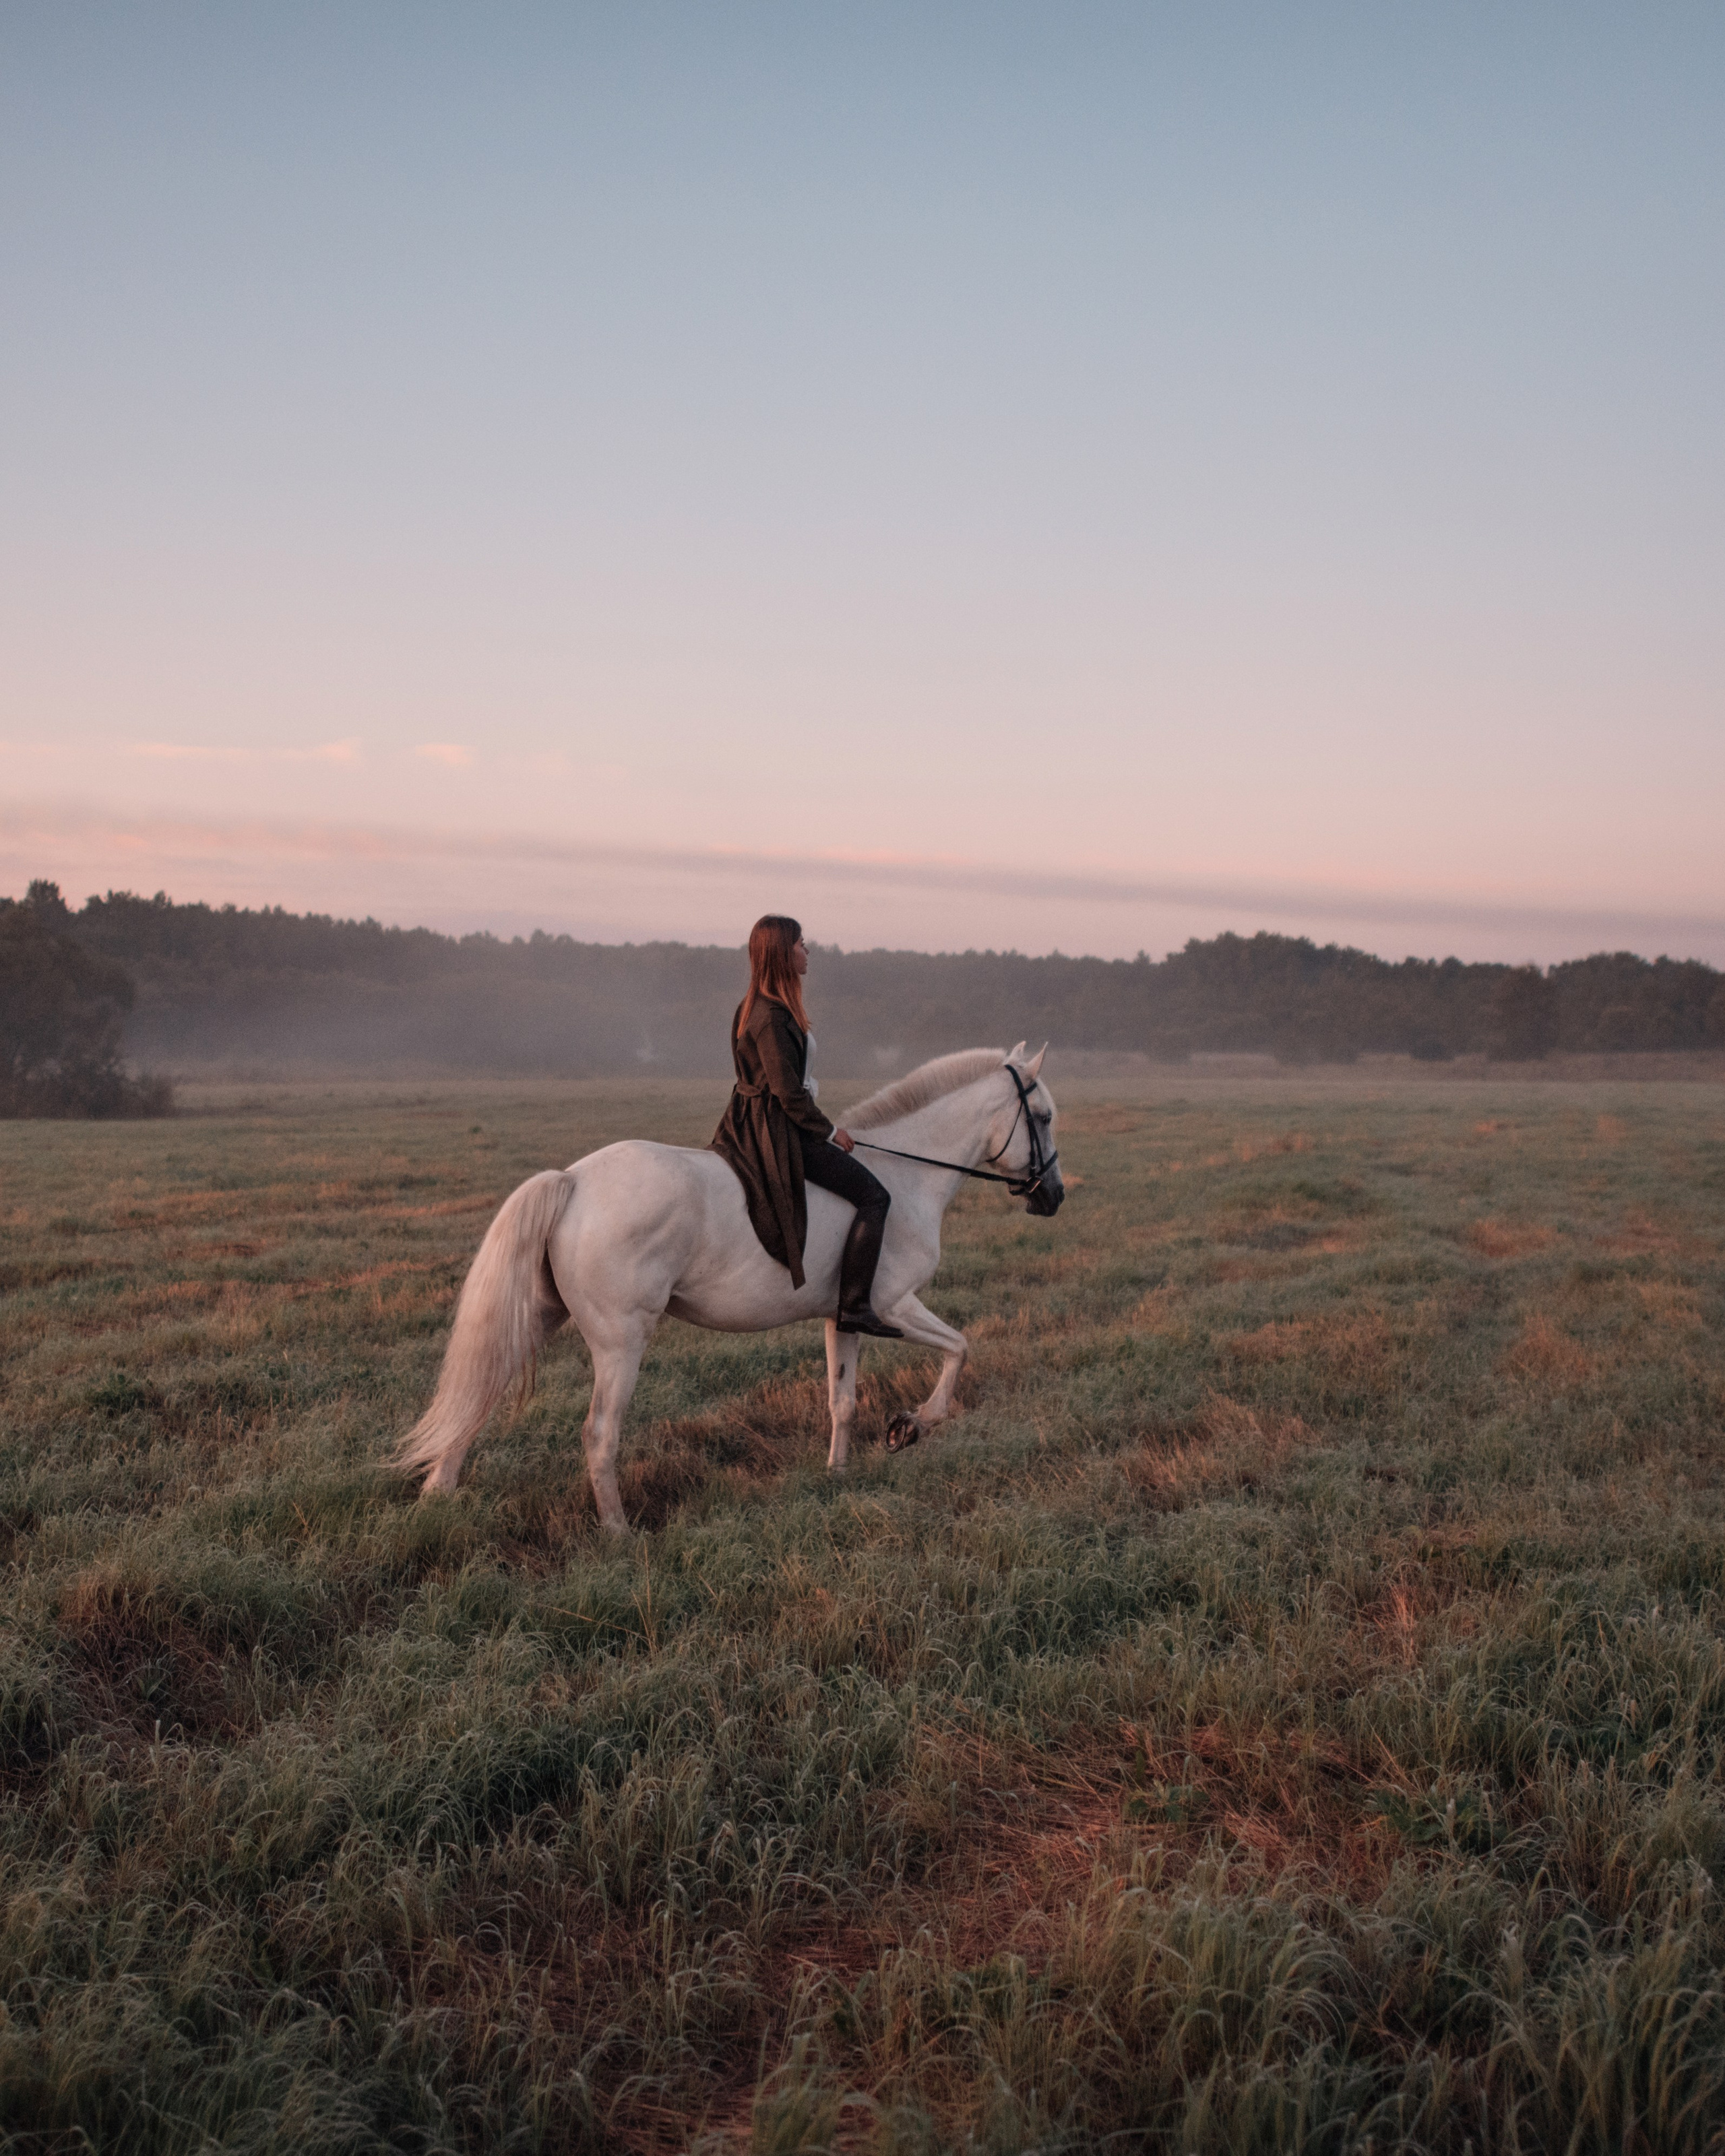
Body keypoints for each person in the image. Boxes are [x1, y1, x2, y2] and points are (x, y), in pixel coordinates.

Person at [710, 914, 903, 1337]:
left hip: (752, 1121)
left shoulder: (754, 1007)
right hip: (779, 1130)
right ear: (783, 952)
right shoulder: (772, 1016)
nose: (807, 950)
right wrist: (833, 1132)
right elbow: (787, 1093)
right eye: (800, 944)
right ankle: (853, 1305)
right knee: (875, 1196)